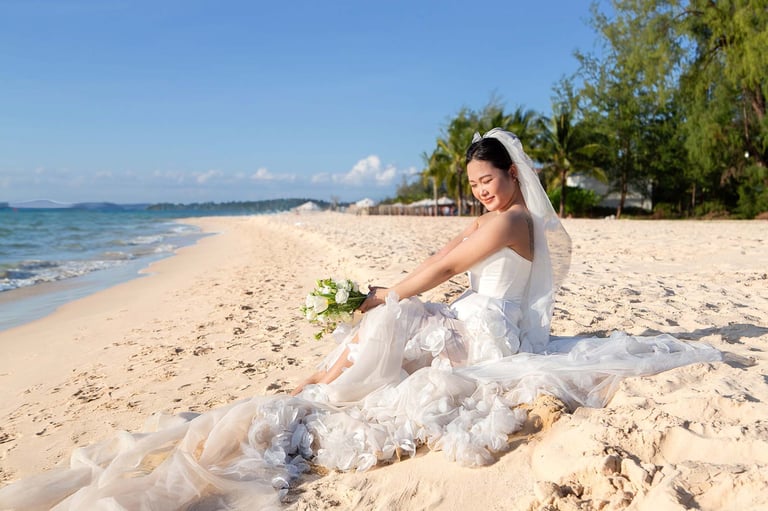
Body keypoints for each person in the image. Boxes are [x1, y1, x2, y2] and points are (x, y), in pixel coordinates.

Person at [0, 129, 722, 511]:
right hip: (480, 316)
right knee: (396, 313)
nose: (481, 193)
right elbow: (445, 252)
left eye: (488, 180)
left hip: (496, 332)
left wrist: (385, 295)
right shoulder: (493, 219)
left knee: (399, 315)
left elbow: (443, 267)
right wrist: (379, 290)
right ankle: (328, 374)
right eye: (472, 185)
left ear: (513, 173)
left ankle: (324, 381)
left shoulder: (513, 223)